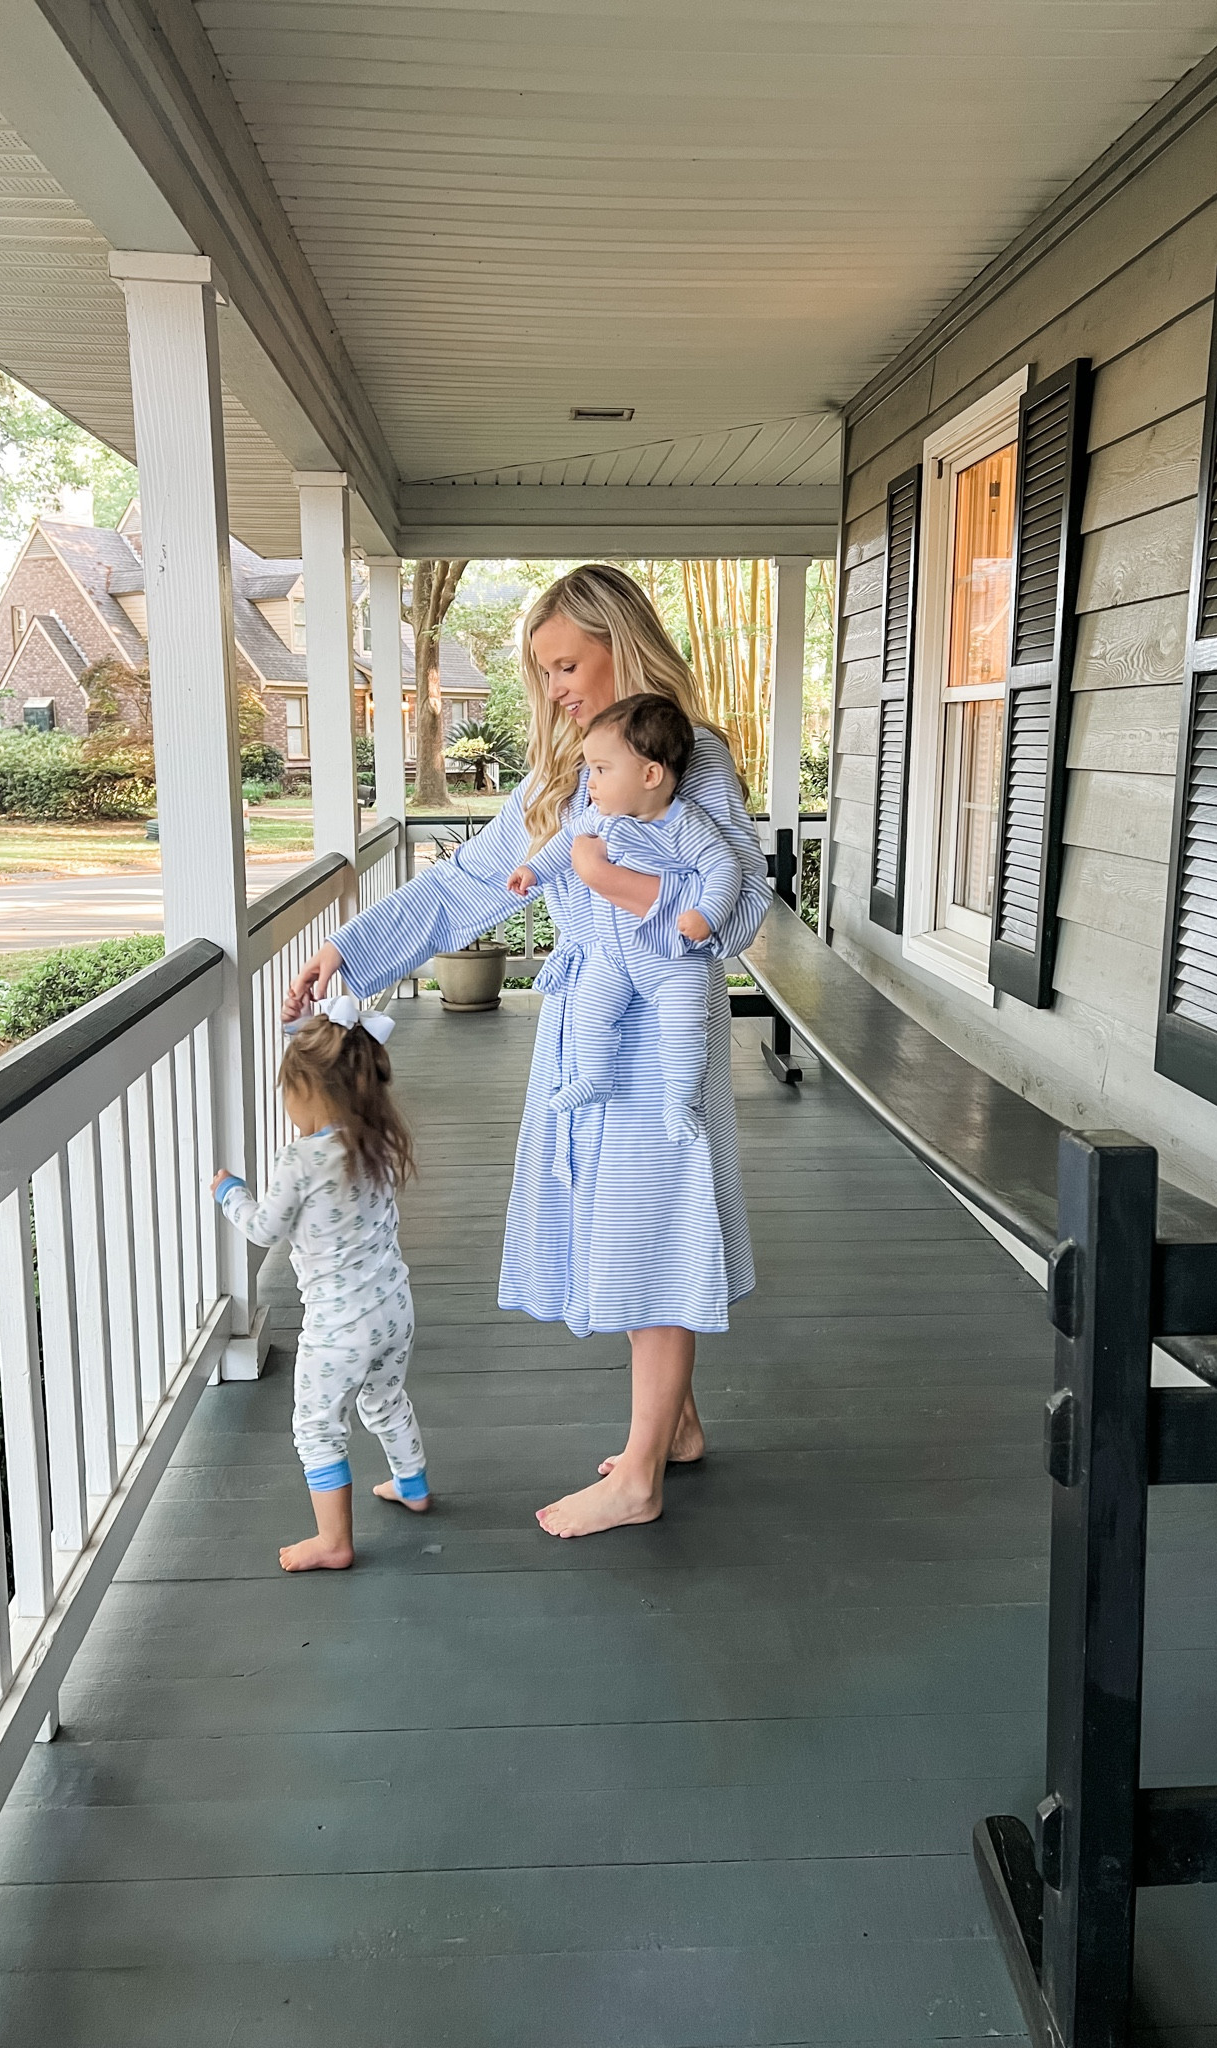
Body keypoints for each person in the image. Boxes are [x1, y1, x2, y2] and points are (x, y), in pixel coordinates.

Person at [283, 564, 770, 1539]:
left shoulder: (691, 756)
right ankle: (671, 1425)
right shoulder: (564, 776)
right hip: (585, 1025)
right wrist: (351, 948)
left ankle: (638, 1476)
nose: (553, 688)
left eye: (565, 664)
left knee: (655, 1221)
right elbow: (464, 886)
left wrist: (624, 895)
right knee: (627, 1218)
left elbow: (741, 899)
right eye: (543, 672)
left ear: (619, 644)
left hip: (661, 1022)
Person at [210, 993, 426, 1572]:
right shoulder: (374, 1139)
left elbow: (263, 1230)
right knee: (385, 1400)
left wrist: (229, 1192)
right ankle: (412, 1483)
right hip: (393, 1308)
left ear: (304, 1094)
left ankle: (333, 1542)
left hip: (338, 1327)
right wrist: (301, 1028)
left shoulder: (298, 1162)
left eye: (287, 1089)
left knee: (317, 1428)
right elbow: (328, 1058)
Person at [505, 693, 742, 1145]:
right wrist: (534, 868)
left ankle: (680, 1100)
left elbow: (724, 867)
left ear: (650, 774)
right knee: (590, 1013)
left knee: (685, 1027)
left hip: (673, 960)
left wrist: (706, 914)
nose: (589, 781)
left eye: (600, 769)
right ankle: (595, 1077)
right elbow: (563, 844)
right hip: (613, 953)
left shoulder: (684, 824)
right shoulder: (597, 815)